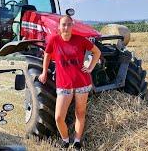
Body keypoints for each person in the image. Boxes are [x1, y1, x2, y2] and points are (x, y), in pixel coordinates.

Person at [38, 15, 101, 150]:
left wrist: (90, 67)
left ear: (72, 26)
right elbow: (47, 55)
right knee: (59, 117)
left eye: (69, 24)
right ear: (59, 27)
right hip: (64, 85)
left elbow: (97, 52)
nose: (66, 27)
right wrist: (44, 72)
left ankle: (77, 141)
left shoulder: (80, 40)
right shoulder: (54, 40)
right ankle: (66, 141)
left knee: (80, 113)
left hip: (82, 83)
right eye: (63, 25)